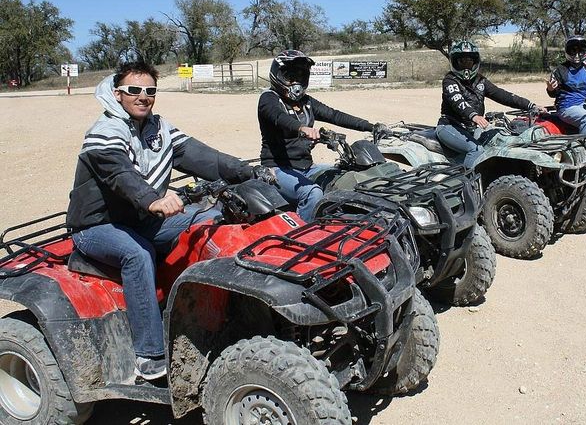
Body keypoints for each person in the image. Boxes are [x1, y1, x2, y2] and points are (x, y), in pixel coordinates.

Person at [66, 61, 269, 382]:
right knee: (138, 254)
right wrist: (153, 200)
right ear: (118, 94)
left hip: (143, 217)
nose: (143, 96)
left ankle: (212, 309)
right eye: (134, 90)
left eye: (150, 90)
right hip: (96, 226)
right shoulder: (104, 132)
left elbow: (204, 157)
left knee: (214, 217)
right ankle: (148, 355)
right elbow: (120, 175)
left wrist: (248, 172)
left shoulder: (159, 128)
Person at [257, 50, 386, 222]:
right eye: (290, 76)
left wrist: (370, 126)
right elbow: (279, 118)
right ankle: (304, 236)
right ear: (277, 75)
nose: (296, 82)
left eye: (300, 77)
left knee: (345, 177)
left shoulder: (306, 103)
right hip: (277, 168)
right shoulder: (269, 99)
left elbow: (335, 115)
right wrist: (301, 128)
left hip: (307, 167)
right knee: (312, 193)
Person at [437, 40, 538, 168]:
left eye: (469, 61)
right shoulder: (450, 80)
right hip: (450, 126)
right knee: (476, 149)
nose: (466, 65)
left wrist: (531, 105)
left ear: (475, 62)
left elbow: (503, 95)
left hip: (471, 128)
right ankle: (468, 185)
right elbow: (457, 100)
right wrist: (473, 115)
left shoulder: (481, 81)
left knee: (501, 140)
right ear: (455, 62)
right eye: (461, 61)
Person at [546, 36, 586, 135]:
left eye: (580, 51)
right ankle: (583, 146)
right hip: (566, 107)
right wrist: (551, 89)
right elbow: (553, 93)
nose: (577, 55)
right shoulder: (561, 70)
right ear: (567, 51)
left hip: (585, 105)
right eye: (573, 51)